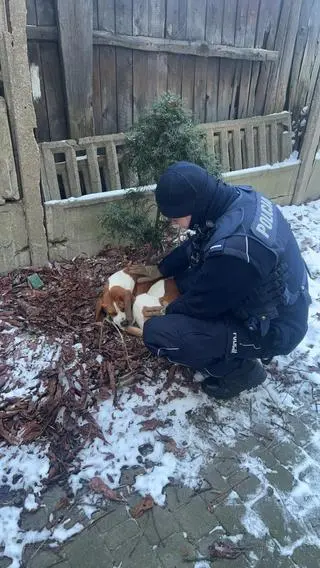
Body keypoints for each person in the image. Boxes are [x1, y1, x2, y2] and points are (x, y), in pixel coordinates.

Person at [126, 161, 311, 399]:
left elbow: (202, 305)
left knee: (161, 334)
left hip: (277, 329)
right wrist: (161, 268)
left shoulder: (236, 250)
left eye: (175, 217)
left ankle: (240, 371)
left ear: (196, 205)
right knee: (190, 279)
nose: (172, 223)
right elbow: (200, 242)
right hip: (270, 298)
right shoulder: (238, 200)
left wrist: (168, 310)